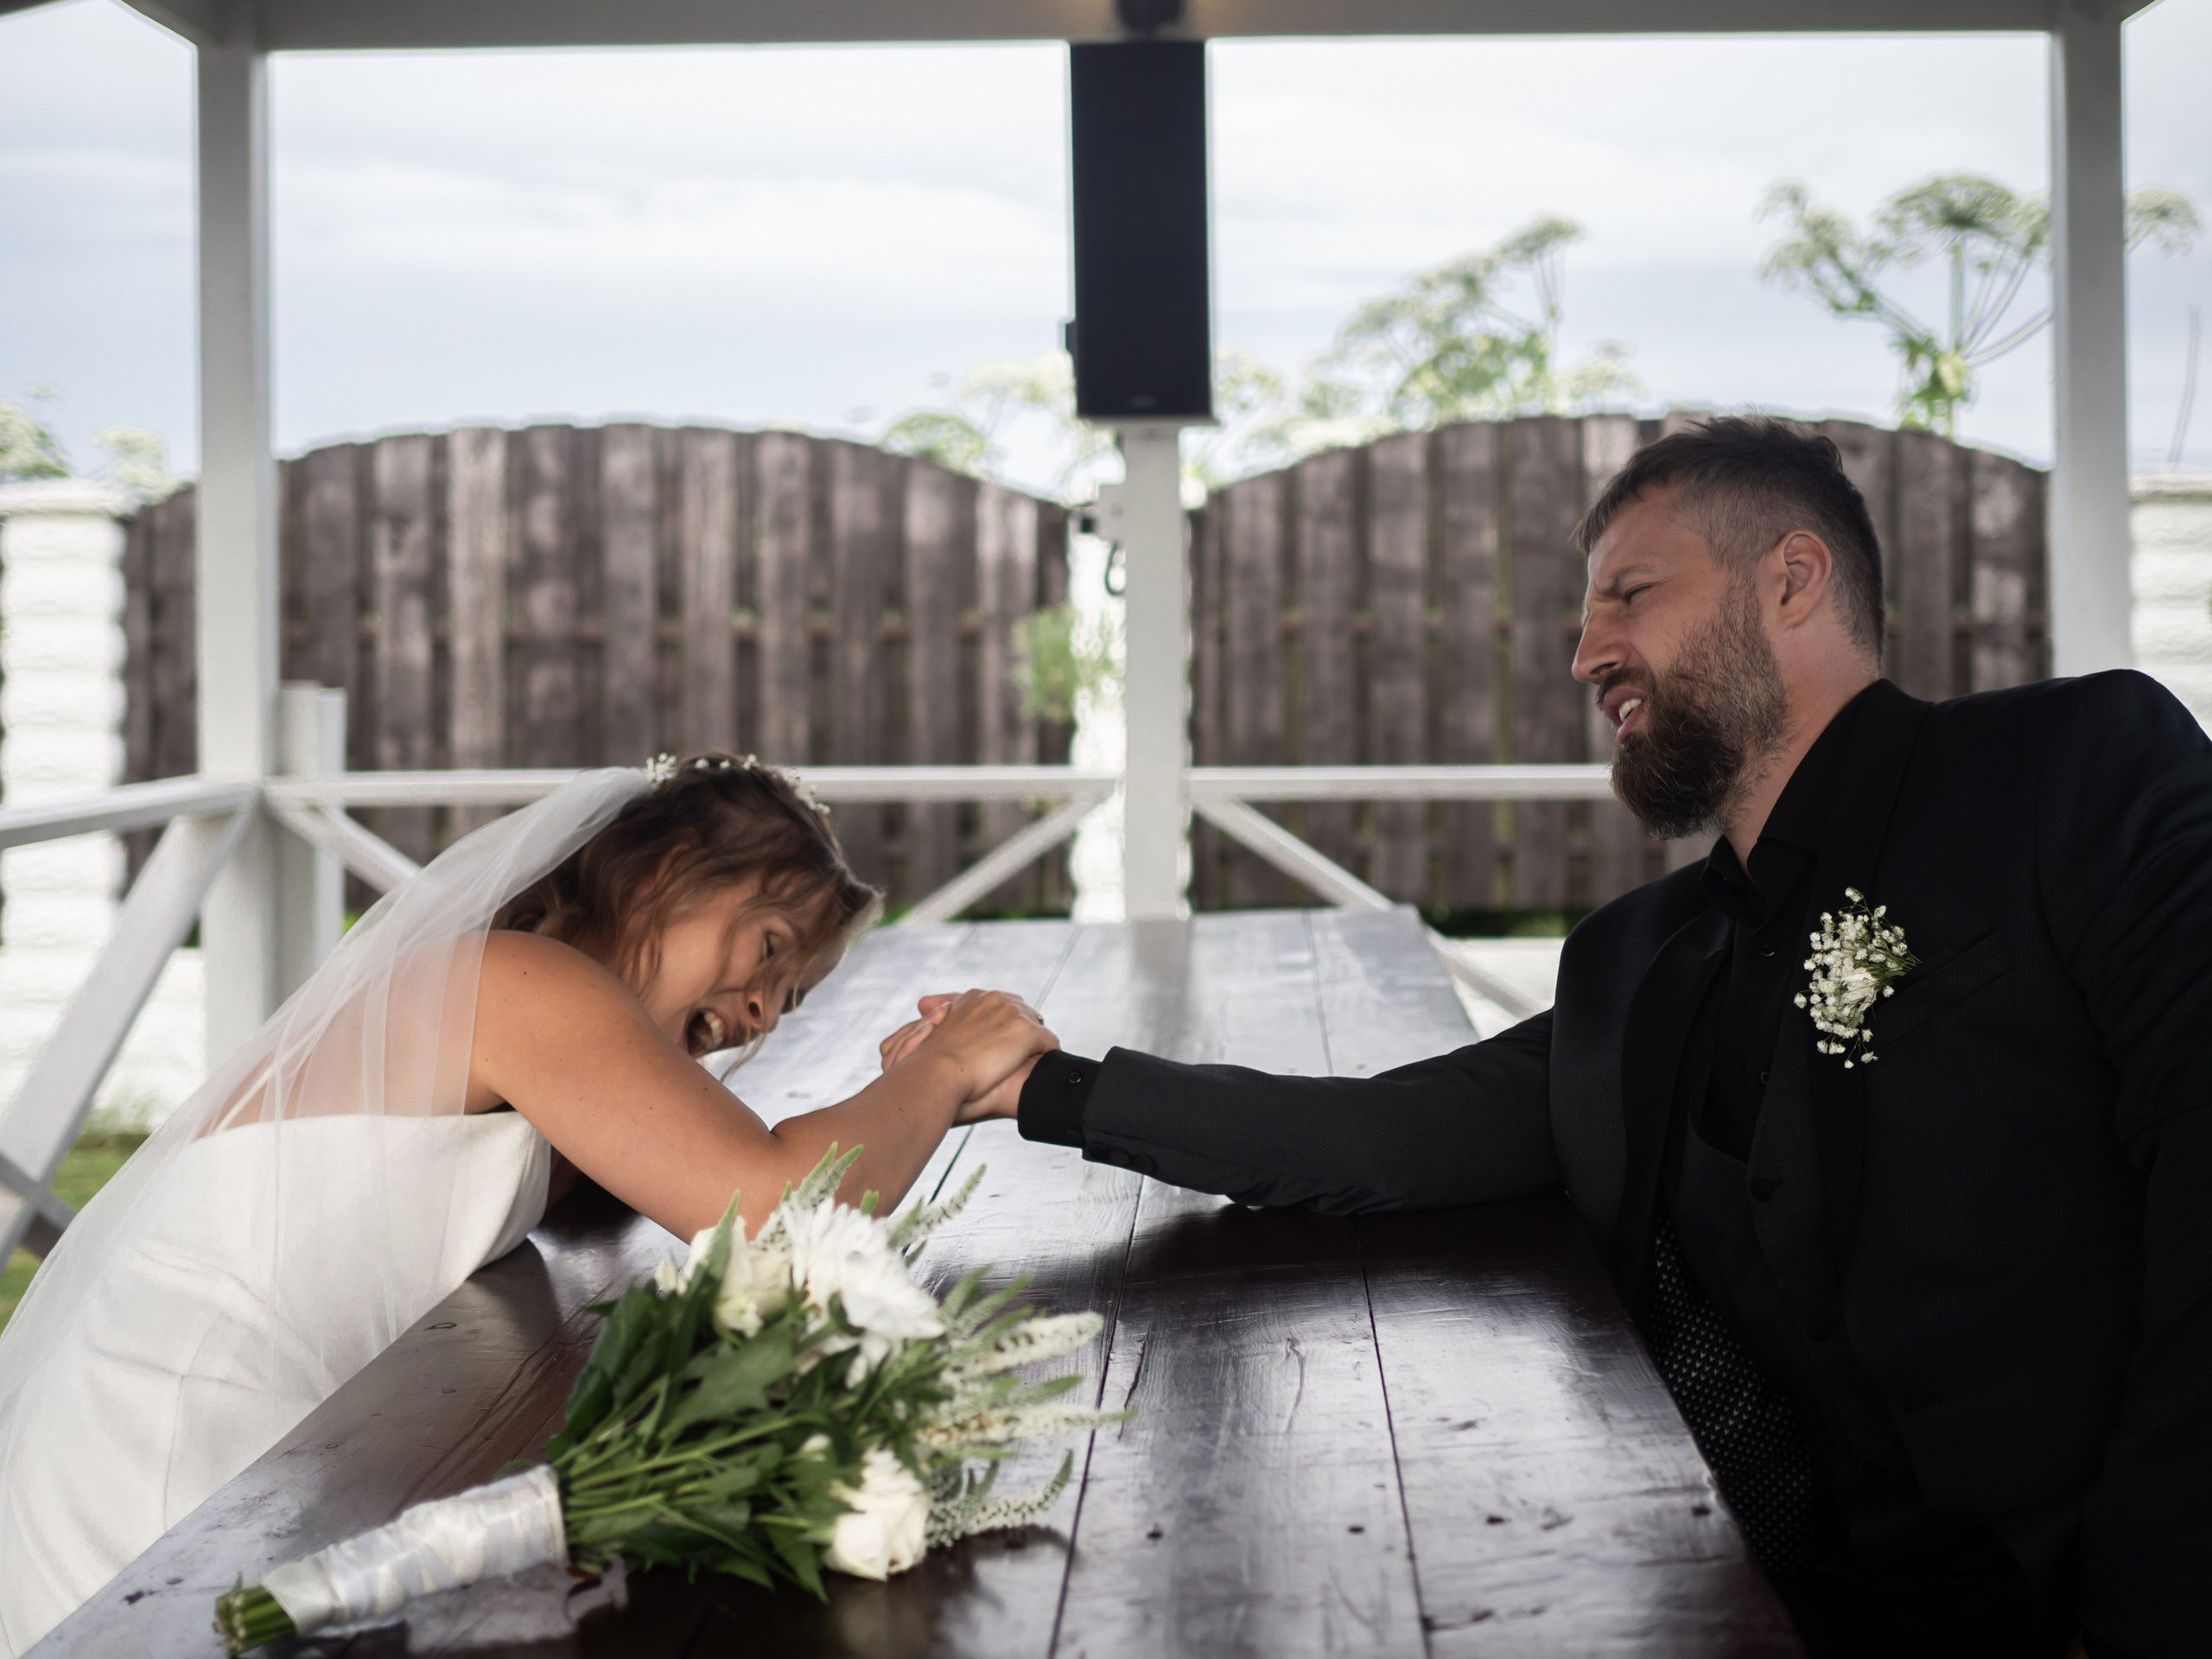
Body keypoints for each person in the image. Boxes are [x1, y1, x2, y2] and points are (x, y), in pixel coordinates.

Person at [917, 419, 2212, 1658]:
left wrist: (2149, 1616)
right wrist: (1048, 1087)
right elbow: (1378, 1133)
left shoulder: (2071, 771)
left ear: (1793, 580)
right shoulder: (1637, 963)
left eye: (1630, 595)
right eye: (1586, 615)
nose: (1586, 654)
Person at [0, 752, 1057, 1656]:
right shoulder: (518, 980)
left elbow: (704, 1171)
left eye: (786, 1001)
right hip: (170, 1460)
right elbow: (779, 1203)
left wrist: (917, 1101)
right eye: (769, 950)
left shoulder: (539, 1014)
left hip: (270, 1450)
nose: (757, 1016)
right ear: (672, 867)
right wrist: (953, 1062)